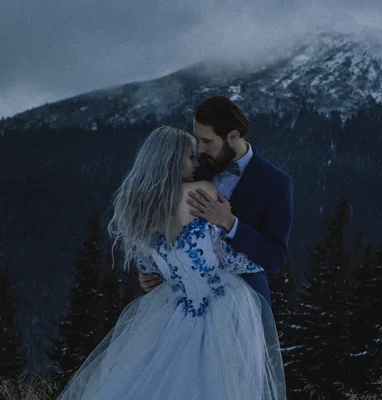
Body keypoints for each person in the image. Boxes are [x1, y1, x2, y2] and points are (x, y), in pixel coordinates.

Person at [56, 126, 286, 400]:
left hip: (175, 311)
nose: (196, 162)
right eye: (190, 156)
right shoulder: (202, 192)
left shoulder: (139, 210)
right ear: (172, 160)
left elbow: (151, 272)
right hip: (225, 306)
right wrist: (256, 257)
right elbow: (226, 258)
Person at [139, 96, 294, 307]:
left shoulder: (276, 183)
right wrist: (152, 272)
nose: (200, 148)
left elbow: (275, 257)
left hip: (244, 305)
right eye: (197, 138)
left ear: (233, 135)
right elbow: (156, 219)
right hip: (185, 303)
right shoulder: (190, 166)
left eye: (207, 141)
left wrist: (231, 223)